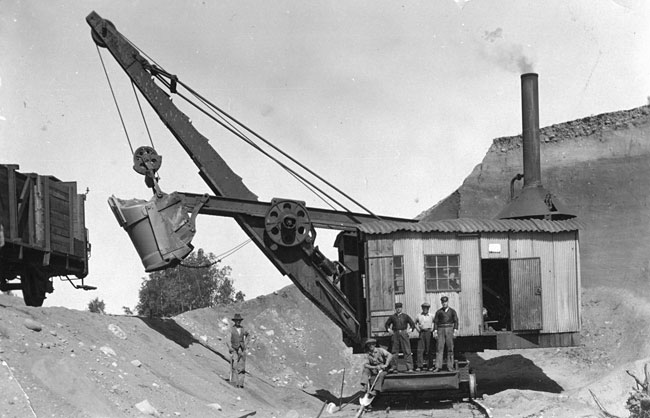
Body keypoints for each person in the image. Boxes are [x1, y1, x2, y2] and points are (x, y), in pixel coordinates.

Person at [384, 302, 415, 372]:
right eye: (397, 308)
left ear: (401, 308)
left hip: (404, 333)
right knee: (394, 351)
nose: (398, 309)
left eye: (400, 308)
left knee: (407, 350)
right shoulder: (392, 317)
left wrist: (410, 330)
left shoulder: (405, 316)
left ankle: (410, 367)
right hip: (395, 333)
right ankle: (394, 367)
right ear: (395, 309)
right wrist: (389, 330)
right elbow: (386, 324)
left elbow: (412, 324)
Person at [432, 296, 459, 372]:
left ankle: (450, 366)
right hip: (440, 329)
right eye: (443, 302)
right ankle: (438, 366)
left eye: (445, 302)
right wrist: (435, 331)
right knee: (439, 348)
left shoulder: (452, 311)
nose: (444, 303)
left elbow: (456, 321)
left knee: (450, 348)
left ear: (448, 302)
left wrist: (455, 330)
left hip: (449, 329)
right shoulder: (439, 312)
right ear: (441, 303)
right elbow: (436, 322)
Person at [226, 313, 250, 388]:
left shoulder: (243, 329)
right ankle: (234, 382)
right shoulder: (231, 329)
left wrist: (245, 344)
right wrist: (230, 347)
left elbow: (248, 335)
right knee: (234, 365)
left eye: (239, 321)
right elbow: (228, 339)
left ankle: (241, 383)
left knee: (242, 367)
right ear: (234, 321)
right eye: (237, 321)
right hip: (234, 349)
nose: (238, 322)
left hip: (242, 349)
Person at [415, 302, 434, 371]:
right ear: (422, 308)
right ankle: (420, 366)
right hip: (422, 333)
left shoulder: (431, 316)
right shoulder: (418, 316)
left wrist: (433, 329)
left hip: (429, 332)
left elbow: (436, 322)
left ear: (428, 309)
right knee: (420, 349)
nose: (425, 309)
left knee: (429, 349)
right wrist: (418, 330)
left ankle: (430, 366)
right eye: (424, 308)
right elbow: (414, 323)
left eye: (426, 308)